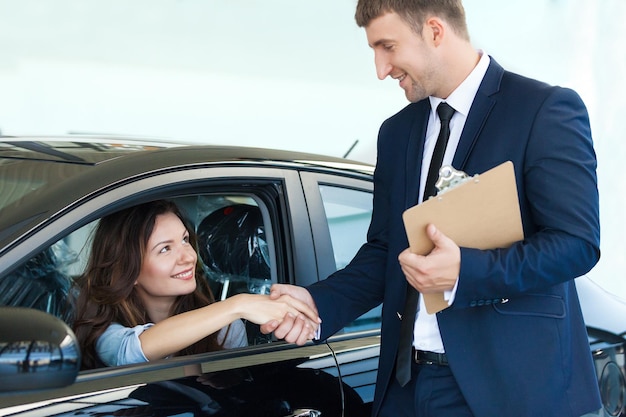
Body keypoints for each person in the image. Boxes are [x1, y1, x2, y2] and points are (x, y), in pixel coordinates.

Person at [261, 1, 602, 416]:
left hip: (508, 391)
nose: (381, 69)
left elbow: (576, 244)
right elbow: (388, 250)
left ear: (435, 32)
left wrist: (465, 272)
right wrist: (318, 303)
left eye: (388, 46)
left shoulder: (543, 110)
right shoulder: (397, 133)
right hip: (407, 386)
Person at [72, 199, 319, 370]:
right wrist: (238, 304)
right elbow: (129, 353)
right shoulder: (103, 329)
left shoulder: (226, 329)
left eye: (185, 240)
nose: (189, 257)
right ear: (128, 269)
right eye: (165, 248)